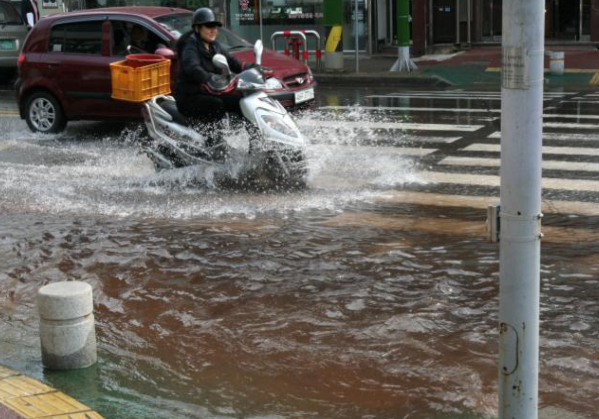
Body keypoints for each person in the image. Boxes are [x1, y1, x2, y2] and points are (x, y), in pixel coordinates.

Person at [174, 7, 270, 157]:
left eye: (215, 26)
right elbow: (192, 67)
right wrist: (208, 78)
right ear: (197, 28)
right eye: (209, 26)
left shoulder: (215, 46)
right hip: (189, 96)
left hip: (209, 90)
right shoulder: (190, 46)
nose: (213, 30)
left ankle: (256, 142)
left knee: (240, 101)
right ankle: (213, 144)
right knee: (216, 104)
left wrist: (253, 68)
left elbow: (233, 62)